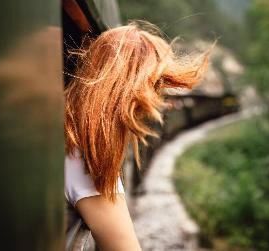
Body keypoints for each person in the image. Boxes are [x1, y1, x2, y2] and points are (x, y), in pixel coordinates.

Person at [64, 22, 212, 251]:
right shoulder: (86, 156)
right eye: (155, 85)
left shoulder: (62, 127)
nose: (157, 100)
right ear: (129, 89)